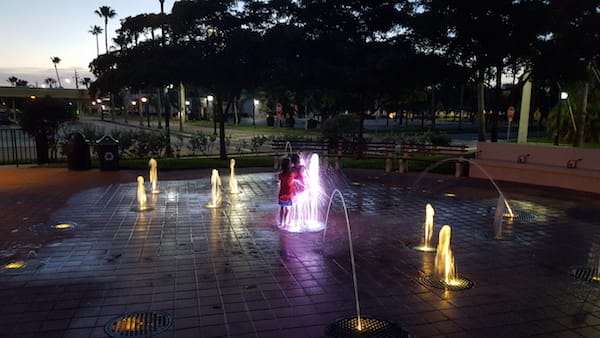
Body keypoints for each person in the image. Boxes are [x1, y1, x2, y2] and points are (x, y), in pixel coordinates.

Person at [278, 158, 294, 228]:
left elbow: (280, 179)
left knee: (282, 208)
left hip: (281, 194)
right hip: (288, 194)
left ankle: (281, 222)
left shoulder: (280, 175)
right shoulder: (291, 175)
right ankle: (285, 222)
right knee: (287, 209)